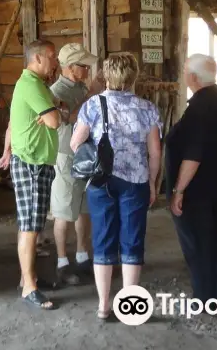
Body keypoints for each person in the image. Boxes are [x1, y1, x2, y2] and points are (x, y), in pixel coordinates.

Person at [69, 52, 162, 321]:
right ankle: (130, 306)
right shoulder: (147, 109)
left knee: (103, 240)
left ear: (106, 76)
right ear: (134, 76)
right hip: (136, 182)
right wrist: (153, 184)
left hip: (100, 181)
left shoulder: (92, 106)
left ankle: (103, 306)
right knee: (132, 242)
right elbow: (155, 153)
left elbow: (76, 144)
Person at [166, 54, 217, 302]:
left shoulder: (199, 109)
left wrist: (179, 190)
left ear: (193, 77)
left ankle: (204, 298)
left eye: (185, 71)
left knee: (198, 244)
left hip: (196, 191)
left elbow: (194, 156)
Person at [0, 39, 61, 311]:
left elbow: (14, 122)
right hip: (32, 162)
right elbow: (55, 121)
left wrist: (6, 149)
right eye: (51, 56)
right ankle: (28, 287)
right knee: (29, 227)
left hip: (33, 160)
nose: (55, 61)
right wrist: (55, 110)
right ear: (36, 58)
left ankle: (29, 277)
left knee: (32, 224)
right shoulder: (32, 85)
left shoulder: (31, 85)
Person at [49, 43, 102, 285]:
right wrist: (91, 96)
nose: (88, 69)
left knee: (83, 208)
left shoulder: (80, 87)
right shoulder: (55, 92)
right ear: (70, 68)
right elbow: (67, 119)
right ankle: (62, 262)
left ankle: (82, 256)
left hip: (86, 154)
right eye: (84, 65)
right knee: (63, 211)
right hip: (66, 155)